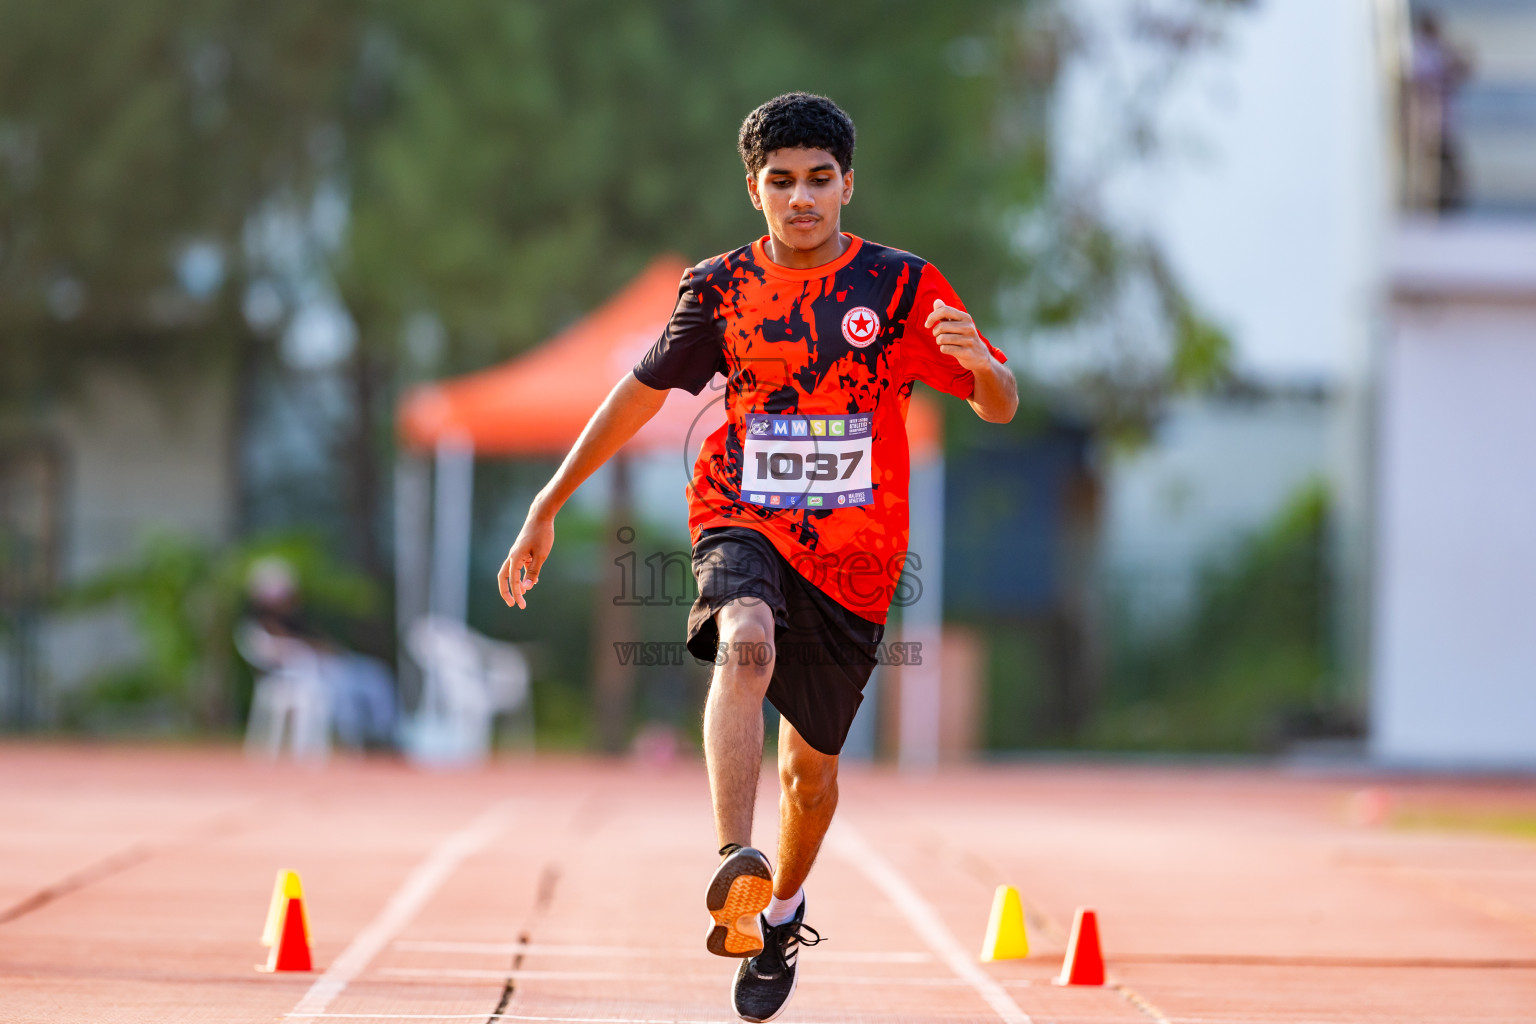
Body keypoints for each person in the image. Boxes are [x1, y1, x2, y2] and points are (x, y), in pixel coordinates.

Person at [497, 92, 1017, 1022]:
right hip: (743, 515)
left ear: (848, 184)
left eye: (820, 180)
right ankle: (734, 860)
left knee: (809, 777)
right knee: (744, 639)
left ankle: (781, 912)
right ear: (755, 190)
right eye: (782, 183)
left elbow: (999, 403)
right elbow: (639, 393)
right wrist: (546, 501)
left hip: (857, 556)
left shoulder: (902, 290)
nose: (802, 198)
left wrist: (981, 363)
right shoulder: (720, 288)